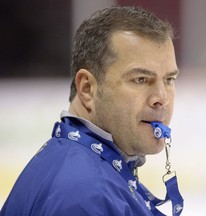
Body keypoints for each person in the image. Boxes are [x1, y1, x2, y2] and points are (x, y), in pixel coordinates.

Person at [0, 6, 183, 216]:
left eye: (169, 80)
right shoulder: (85, 194)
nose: (161, 98)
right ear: (87, 89)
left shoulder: (80, 166)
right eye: (140, 79)